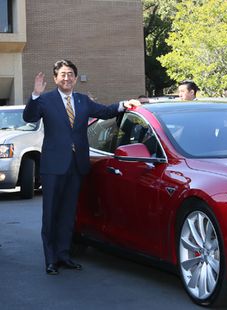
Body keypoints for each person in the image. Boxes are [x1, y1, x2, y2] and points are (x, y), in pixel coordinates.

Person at [23, 59, 141, 275]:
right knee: (51, 214)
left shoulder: (83, 100)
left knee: (69, 213)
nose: (66, 78)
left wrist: (125, 104)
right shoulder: (45, 100)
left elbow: (106, 111)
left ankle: (64, 255)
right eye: (62, 74)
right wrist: (35, 94)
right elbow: (29, 117)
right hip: (53, 167)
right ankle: (50, 260)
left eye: (70, 74)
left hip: (76, 166)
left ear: (76, 78)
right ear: (55, 78)